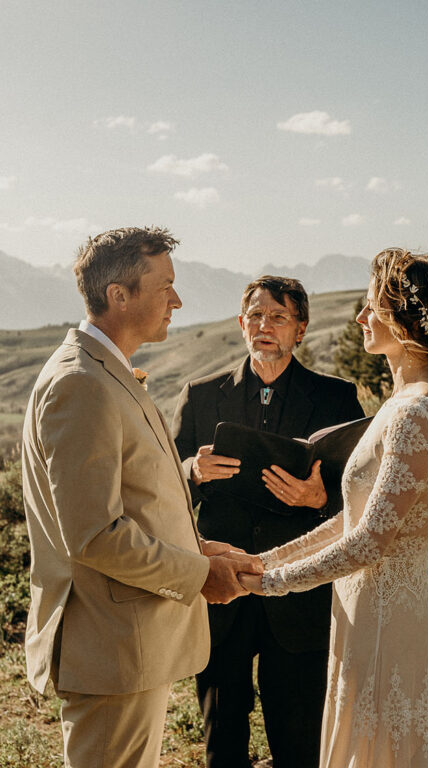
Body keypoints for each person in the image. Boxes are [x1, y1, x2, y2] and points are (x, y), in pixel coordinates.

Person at [21, 227, 262, 768]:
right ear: (119, 295)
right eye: (165, 286)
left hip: (127, 647)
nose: (177, 300)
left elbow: (132, 500)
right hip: (108, 650)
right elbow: (94, 534)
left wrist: (199, 547)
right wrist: (197, 574)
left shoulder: (108, 373)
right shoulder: (80, 383)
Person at [237, 248, 428, 767]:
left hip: (387, 620)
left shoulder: (416, 411)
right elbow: (354, 518)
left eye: (371, 307)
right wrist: (266, 561)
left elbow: (369, 542)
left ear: (403, 317)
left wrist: (268, 584)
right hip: (367, 612)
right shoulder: (409, 401)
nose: (361, 318)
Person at [171, 276, 364, 768]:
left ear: (300, 330)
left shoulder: (337, 400)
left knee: (300, 742)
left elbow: (362, 502)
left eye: (278, 317)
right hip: (221, 590)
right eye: (255, 316)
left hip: (299, 593)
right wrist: (191, 471)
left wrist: (320, 498)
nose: (264, 326)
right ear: (241, 324)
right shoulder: (199, 397)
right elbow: (160, 496)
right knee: (222, 742)